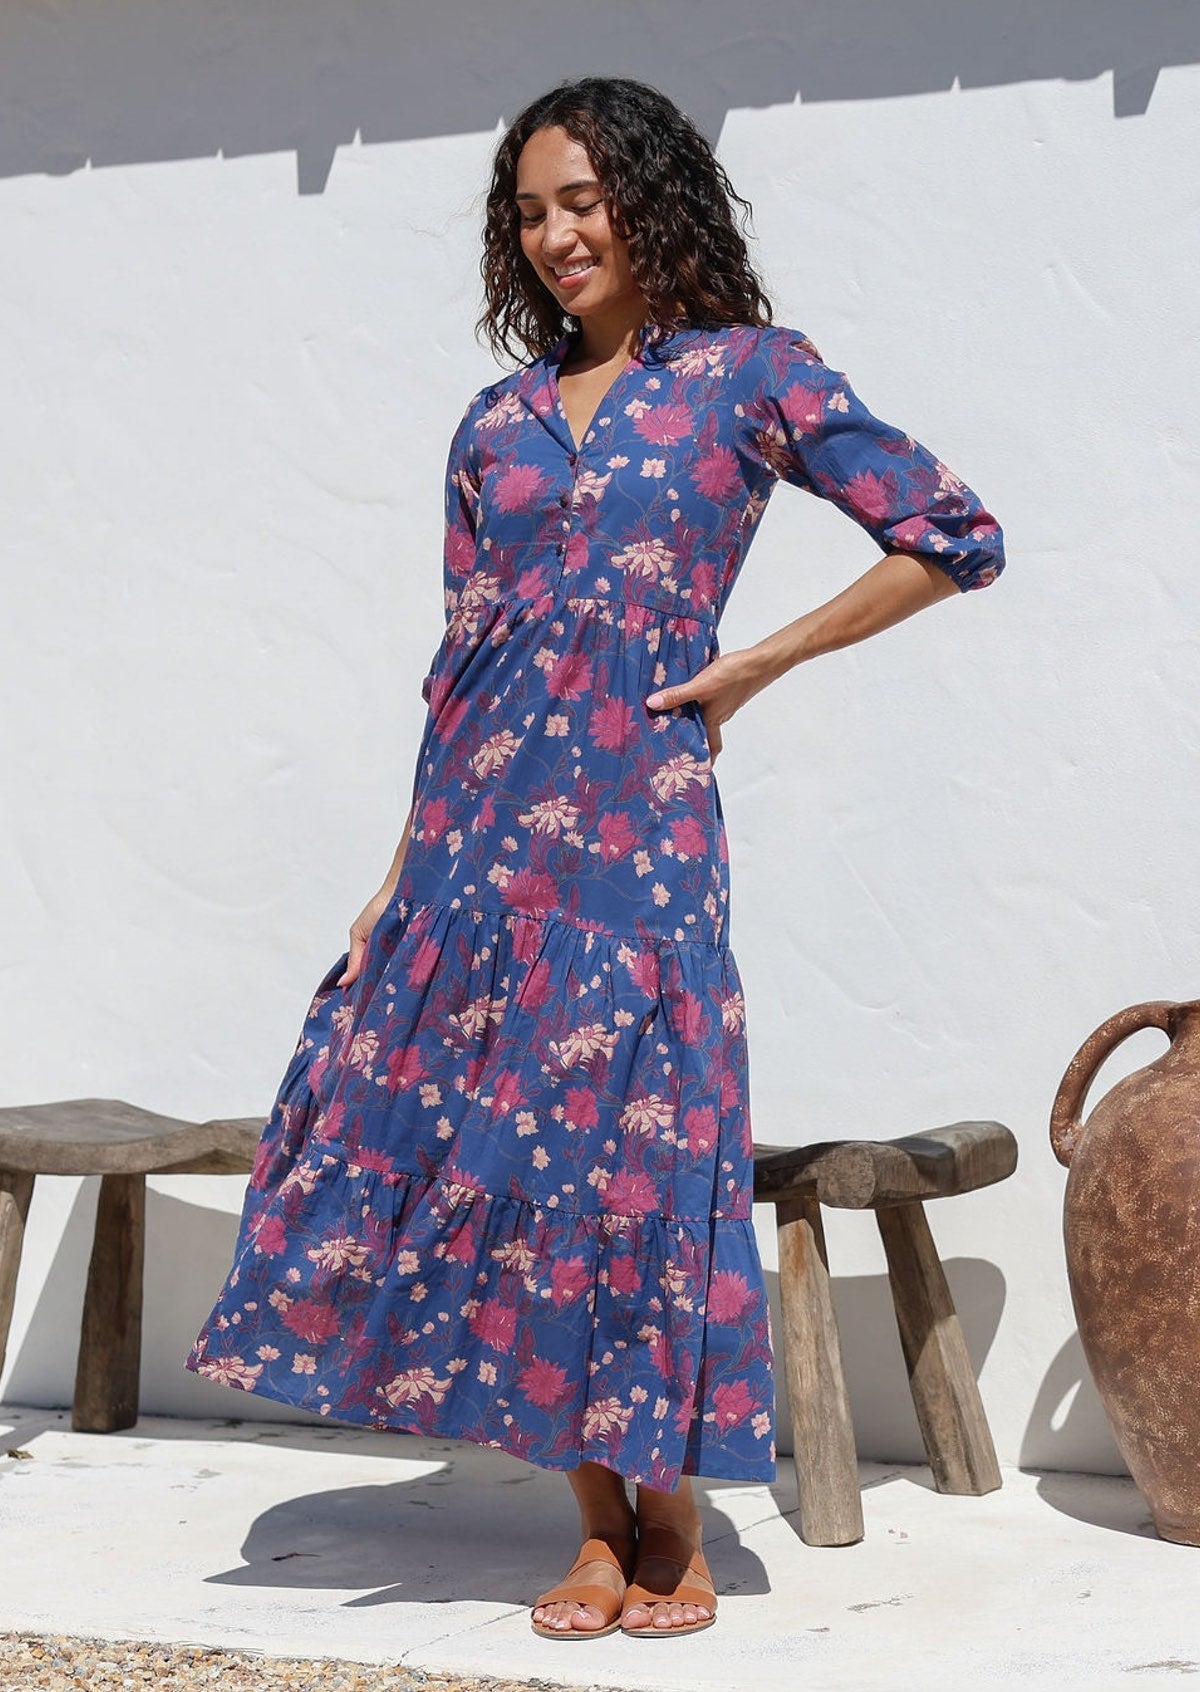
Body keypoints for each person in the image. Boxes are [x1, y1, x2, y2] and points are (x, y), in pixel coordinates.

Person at [186, 75, 1004, 1641]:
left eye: (581, 199)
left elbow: (951, 534)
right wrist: (393, 873)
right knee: (505, 1151)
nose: (557, 235)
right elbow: (460, 664)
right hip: (472, 841)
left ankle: (674, 1518)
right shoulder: (492, 426)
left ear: (649, 195)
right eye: (530, 213)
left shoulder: (745, 378)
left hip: (638, 826)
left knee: (636, 1145)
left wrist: (753, 665)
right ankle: (583, 1519)